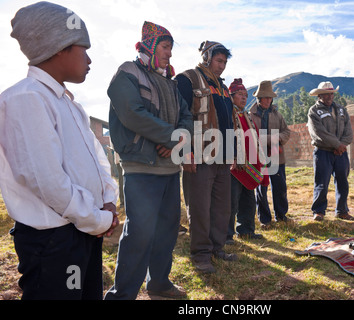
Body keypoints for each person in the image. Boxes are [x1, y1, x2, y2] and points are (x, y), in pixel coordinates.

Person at [0, 2, 119, 300]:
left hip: (82, 229)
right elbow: (48, 182)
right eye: (83, 48)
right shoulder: (26, 99)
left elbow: (97, 159)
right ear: (59, 47)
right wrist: (97, 219)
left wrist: (108, 200)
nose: (90, 59)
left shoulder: (69, 104)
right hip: (54, 240)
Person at [104, 22, 193, 300]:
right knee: (140, 232)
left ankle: (159, 283)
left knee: (167, 228)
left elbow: (186, 117)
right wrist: (172, 138)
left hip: (168, 169)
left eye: (170, 48)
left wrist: (178, 138)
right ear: (151, 46)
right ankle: (122, 294)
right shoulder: (127, 74)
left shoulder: (170, 80)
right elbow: (132, 113)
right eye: (166, 47)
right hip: (141, 167)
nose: (169, 54)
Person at [175, 41, 236, 274]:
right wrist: (185, 151)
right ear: (207, 57)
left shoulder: (222, 87)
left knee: (222, 207)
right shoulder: (187, 80)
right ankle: (200, 254)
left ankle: (217, 248)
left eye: (225, 62)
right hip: (198, 155)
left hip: (222, 157)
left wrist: (231, 152)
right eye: (219, 61)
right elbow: (180, 117)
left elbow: (228, 121)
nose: (222, 66)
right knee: (199, 207)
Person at [307, 81, 354, 221]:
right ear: (319, 95)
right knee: (321, 183)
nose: (329, 96)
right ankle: (319, 211)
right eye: (326, 94)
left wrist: (342, 145)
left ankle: (342, 210)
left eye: (331, 93)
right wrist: (337, 145)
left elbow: (349, 131)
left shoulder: (341, 110)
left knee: (342, 182)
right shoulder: (314, 111)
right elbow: (318, 133)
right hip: (323, 152)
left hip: (341, 153)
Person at [227, 78, 267, 243]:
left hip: (248, 165)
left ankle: (246, 230)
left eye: (245, 95)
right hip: (234, 165)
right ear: (231, 96)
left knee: (248, 199)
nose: (244, 98)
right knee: (231, 201)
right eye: (240, 94)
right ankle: (227, 234)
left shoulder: (247, 117)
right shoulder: (228, 114)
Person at [250, 81, 291, 228]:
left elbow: (286, 132)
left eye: (270, 98)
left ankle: (281, 216)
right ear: (259, 98)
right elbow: (251, 136)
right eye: (265, 97)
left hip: (277, 157)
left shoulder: (277, 115)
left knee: (280, 186)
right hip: (259, 157)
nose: (268, 100)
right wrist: (271, 139)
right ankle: (264, 220)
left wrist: (278, 139)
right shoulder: (251, 116)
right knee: (261, 188)